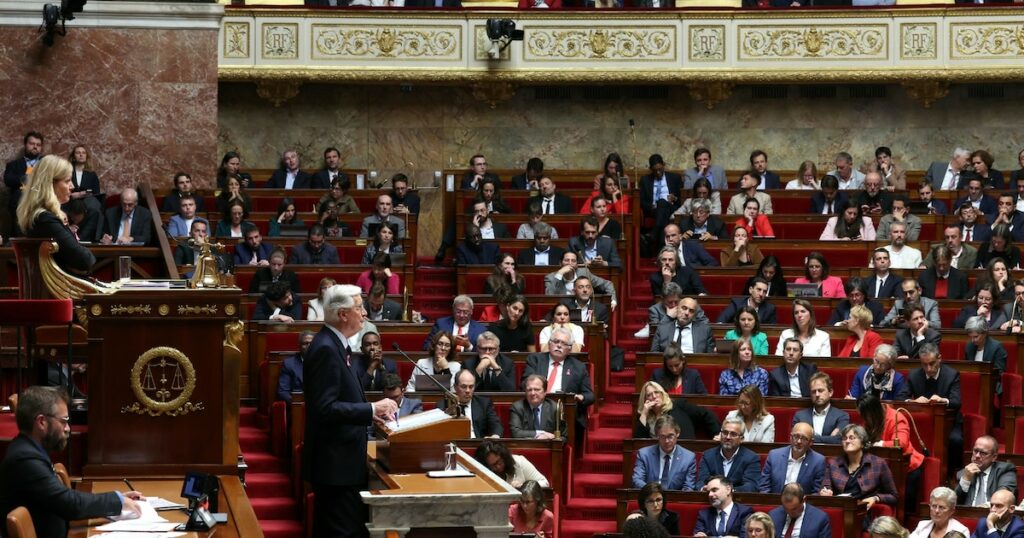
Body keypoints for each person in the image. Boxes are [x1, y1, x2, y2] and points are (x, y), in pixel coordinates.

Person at [302, 284, 398, 536]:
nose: (364, 313)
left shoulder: (336, 344)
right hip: (335, 466)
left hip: (342, 463)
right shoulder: (325, 348)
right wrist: (370, 409)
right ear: (343, 314)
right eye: (359, 308)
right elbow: (324, 408)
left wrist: (371, 411)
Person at [0, 386, 143, 536]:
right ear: (41, 422)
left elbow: (64, 499)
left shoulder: (28, 449)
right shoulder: (25, 459)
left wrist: (118, 498)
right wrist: (117, 501)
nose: (68, 428)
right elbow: (69, 504)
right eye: (64, 421)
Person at [15, 154, 96, 274]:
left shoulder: (40, 216)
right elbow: (85, 260)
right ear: (50, 184)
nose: (72, 186)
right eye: (68, 181)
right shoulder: (44, 219)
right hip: (60, 290)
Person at [521, 327, 595, 444]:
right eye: (556, 341)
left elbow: (590, 395)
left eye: (564, 343)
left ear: (569, 349)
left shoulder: (578, 367)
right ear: (549, 344)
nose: (559, 345)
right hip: (535, 405)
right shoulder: (535, 359)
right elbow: (525, 383)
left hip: (564, 411)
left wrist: (580, 397)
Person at [899, 343, 964, 474]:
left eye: (932, 363)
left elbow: (956, 402)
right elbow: (900, 398)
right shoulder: (914, 375)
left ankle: (951, 474)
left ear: (939, 358)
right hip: (920, 423)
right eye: (924, 364)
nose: (928, 369)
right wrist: (913, 401)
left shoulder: (952, 374)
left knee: (956, 440)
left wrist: (942, 400)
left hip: (948, 421)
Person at [859, 393, 925, 515]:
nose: (867, 420)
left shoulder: (896, 417)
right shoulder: (869, 418)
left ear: (876, 410)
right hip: (881, 468)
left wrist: (881, 444)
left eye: (869, 416)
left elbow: (902, 443)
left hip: (906, 467)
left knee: (906, 501)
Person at [818, 424, 899, 513]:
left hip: (866, 511)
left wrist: (875, 498)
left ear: (862, 442)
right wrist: (825, 492)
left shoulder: (878, 463)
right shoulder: (833, 463)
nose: (847, 441)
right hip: (841, 510)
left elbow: (894, 496)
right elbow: (825, 487)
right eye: (844, 438)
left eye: (852, 438)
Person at [635, 381, 720, 441]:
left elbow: (706, 414)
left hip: (683, 453)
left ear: (662, 394)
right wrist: (644, 413)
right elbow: (639, 442)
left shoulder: (679, 405)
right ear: (645, 399)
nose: (654, 396)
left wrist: (718, 434)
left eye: (656, 392)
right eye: (649, 395)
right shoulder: (644, 416)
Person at [632, 414, 698, 490]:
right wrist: (654, 493)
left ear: (677, 433)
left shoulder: (688, 458)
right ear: (657, 435)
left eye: (670, 436)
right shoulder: (644, 454)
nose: (666, 441)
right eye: (662, 436)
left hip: (674, 500)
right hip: (650, 498)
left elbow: (688, 487)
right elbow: (637, 480)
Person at [697, 417, 762, 492]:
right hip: (711, 497)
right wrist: (703, 488)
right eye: (725, 433)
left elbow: (752, 486)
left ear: (741, 439)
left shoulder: (751, 458)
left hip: (737, 500)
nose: (728, 437)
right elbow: (701, 481)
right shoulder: (708, 455)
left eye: (733, 434)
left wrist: (729, 491)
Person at [759, 425, 825, 495]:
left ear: (811, 442)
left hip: (801, 504)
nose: (799, 441)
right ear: (790, 437)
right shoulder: (774, 455)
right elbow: (764, 486)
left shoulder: (818, 461)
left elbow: (815, 492)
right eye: (796, 436)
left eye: (804, 438)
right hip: (775, 502)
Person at [955, 435, 1018, 506]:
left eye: (983, 453)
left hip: (993, 513)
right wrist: (965, 479)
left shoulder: (1005, 470)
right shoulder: (965, 473)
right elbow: (955, 503)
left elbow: (1004, 497)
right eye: (975, 451)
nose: (977, 456)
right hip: (968, 514)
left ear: (994, 457)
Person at [441, 369, 502, 438]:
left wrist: (495, 436)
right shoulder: (444, 405)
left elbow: (495, 424)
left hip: (478, 444)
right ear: (455, 387)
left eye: (471, 387)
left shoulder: (484, 403)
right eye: (464, 387)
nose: (468, 390)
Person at [544, 251, 618, 307]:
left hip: (583, 308)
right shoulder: (551, 277)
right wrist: (559, 274)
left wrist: (613, 300)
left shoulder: (584, 272)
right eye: (567, 260)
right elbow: (549, 297)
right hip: (562, 311)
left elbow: (607, 284)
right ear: (560, 263)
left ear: (577, 264)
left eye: (573, 261)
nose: (570, 263)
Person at [795, 372, 850, 444]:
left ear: (830, 392)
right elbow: (796, 440)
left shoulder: (842, 416)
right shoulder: (800, 416)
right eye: (813, 392)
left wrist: (808, 437)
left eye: (820, 391)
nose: (817, 394)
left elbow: (839, 440)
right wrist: (829, 438)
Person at [640, 154, 683, 237]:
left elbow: (682, 199)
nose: (658, 172)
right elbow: (641, 201)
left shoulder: (675, 178)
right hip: (653, 210)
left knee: (662, 202)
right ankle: (659, 235)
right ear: (651, 169)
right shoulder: (645, 180)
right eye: (655, 170)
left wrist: (675, 198)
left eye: (660, 169)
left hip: (671, 207)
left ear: (664, 165)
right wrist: (650, 206)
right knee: (662, 205)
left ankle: (654, 232)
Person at [475, 440, 549, 488]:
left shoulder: (519, 462)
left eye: (499, 461)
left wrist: (523, 486)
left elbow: (545, 483)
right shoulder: (483, 473)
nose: (498, 466)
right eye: (493, 465)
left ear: (503, 456)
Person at [769, 483, 834, 538]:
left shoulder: (820, 519)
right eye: (786, 509)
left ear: (803, 500)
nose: (790, 513)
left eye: (794, 509)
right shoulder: (773, 516)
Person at [4, 131, 44, 221]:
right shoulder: (14, 164)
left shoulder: (47, 162)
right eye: (32, 143)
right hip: (20, 202)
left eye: (38, 145)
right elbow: (8, 180)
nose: (35, 147)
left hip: (41, 198)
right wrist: (26, 178)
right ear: (25, 145)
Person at [510, 374, 563, 439]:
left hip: (548, 447)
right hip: (526, 447)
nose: (533, 393)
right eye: (529, 390)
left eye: (537, 389)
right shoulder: (517, 407)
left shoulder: (554, 408)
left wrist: (554, 437)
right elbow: (516, 433)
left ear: (545, 392)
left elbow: (564, 436)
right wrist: (541, 433)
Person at [965, 316, 1008, 396]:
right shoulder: (969, 347)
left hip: (991, 386)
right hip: (972, 384)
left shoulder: (997, 347)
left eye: (976, 337)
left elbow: (999, 373)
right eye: (970, 337)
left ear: (984, 333)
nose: (973, 340)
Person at [278, 331, 314, 402]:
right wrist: (297, 403)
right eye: (305, 343)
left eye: (312, 343)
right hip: (298, 406)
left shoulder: (324, 362)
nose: (309, 346)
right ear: (299, 345)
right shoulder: (289, 364)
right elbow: (283, 392)